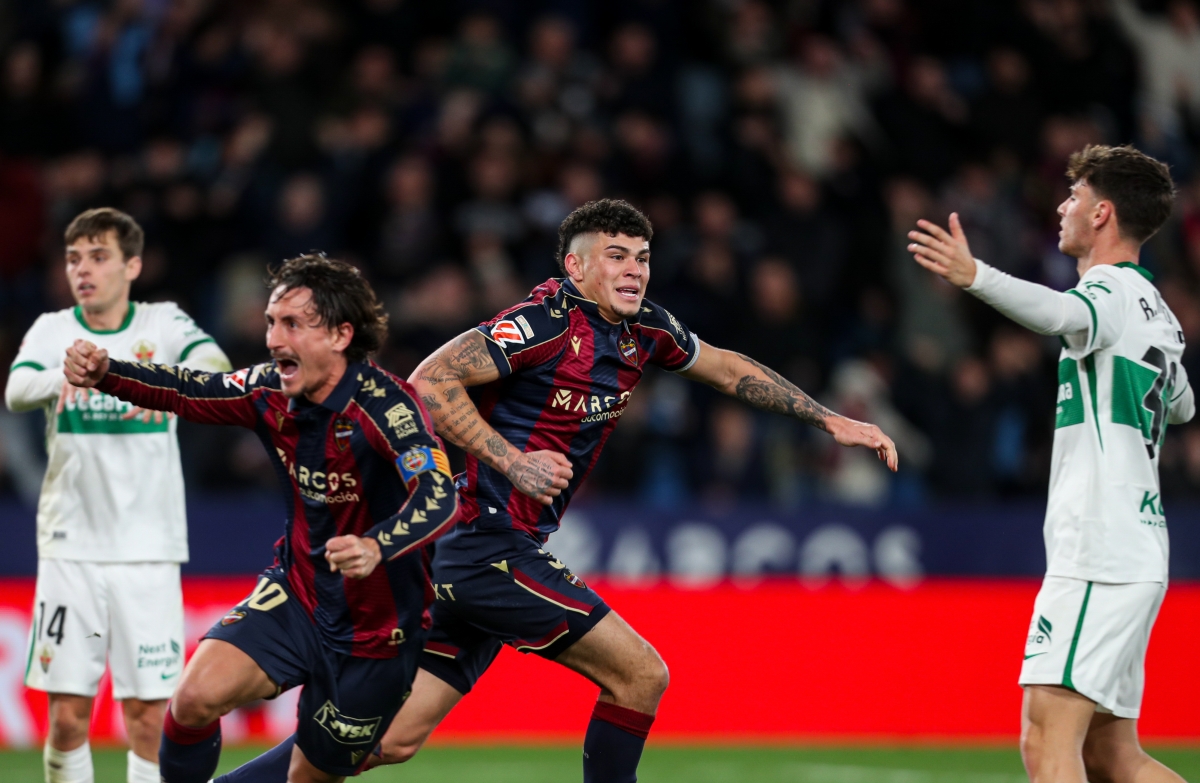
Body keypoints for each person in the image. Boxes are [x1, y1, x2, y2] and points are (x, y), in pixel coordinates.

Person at [361, 198, 898, 781]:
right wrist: (514, 463)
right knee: (641, 675)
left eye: (642, 258)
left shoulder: (646, 329)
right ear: (576, 268)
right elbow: (428, 381)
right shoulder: (543, 323)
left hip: (491, 548)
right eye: (615, 257)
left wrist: (829, 420)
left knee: (388, 740)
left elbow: (723, 366)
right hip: (483, 542)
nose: (634, 270)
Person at [62, 254, 459, 783]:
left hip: (377, 632)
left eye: (292, 323)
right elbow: (189, 388)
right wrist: (109, 373)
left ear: (341, 335)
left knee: (305, 778)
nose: (273, 338)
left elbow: (439, 495)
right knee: (194, 698)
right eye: (272, 321)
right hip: (299, 596)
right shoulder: (269, 391)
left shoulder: (388, 408)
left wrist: (377, 545)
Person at [909, 145, 1191, 783]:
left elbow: (1065, 315)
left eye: (1075, 196)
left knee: (1045, 739)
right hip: (1135, 545)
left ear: (1103, 214)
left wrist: (974, 275)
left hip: (1101, 548)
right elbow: (1182, 405)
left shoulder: (1108, 291)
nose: (1063, 207)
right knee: (1112, 755)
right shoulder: (1160, 314)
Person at [4, 208, 231, 783]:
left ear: (132, 264)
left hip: (148, 551)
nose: (83, 269)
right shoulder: (54, 330)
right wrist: (69, 376)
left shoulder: (162, 322)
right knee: (67, 719)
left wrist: (157, 383)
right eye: (74, 257)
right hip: (71, 549)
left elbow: (216, 364)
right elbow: (15, 390)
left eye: (98, 256)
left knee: (148, 717)